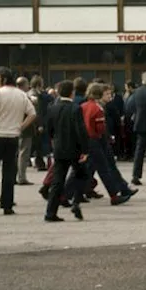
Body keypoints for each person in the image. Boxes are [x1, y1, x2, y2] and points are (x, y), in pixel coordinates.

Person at [0, 67, 35, 215]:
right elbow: (32, 114)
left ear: (3, 79)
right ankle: (7, 204)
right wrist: (20, 127)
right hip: (12, 137)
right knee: (9, 171)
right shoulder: (21, 95)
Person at [43, 80, 88, 222]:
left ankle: (50, 212)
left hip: (59, 148)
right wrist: (85, 149)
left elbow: (49, 129)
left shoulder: (52, 108)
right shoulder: (75, 108)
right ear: (72, 93)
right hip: (74, 148)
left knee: (58, 180)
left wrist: (53, 142)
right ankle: (76, 202)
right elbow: (80, 130)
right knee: (82, 175)